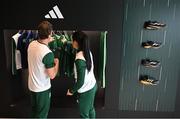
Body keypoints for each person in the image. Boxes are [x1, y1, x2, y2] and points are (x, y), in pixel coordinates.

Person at [28, 21, 59, 118]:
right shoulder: (47, 53)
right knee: (42, 115)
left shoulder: (31, 44)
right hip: (42, 89)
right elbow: (52, 75)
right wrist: (57, 63)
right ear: (50, 34)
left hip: (32, 86)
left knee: (34, 112)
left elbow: (39, 55)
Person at [67, 31, 97, 118]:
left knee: (84, 115)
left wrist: (71, 91)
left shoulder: (79, 59)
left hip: (85, 90)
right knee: (90, 109)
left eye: (72, 40)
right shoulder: (87, 52)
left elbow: (80, 82)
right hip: (92, 86)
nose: (71, 42)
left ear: (76, 42)